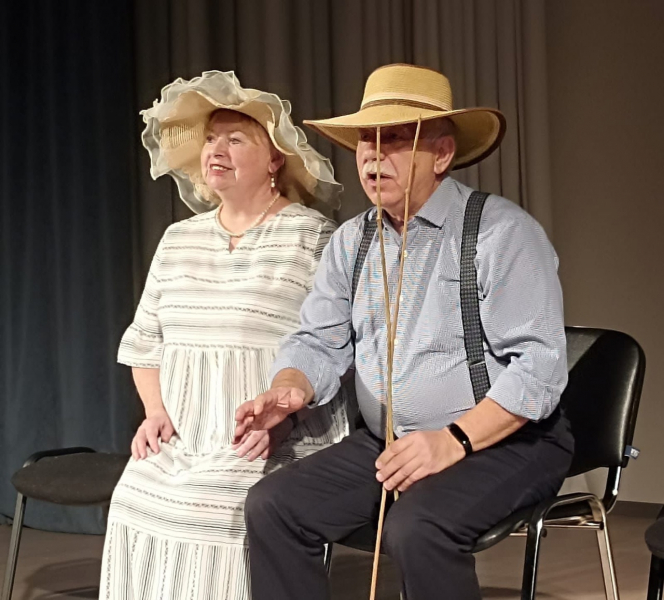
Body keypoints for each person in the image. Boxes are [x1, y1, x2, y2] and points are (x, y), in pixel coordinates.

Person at [236, 63, 575, 600]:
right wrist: (290, 388)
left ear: (441, 154)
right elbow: (318, 340)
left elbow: (540, 368)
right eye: (366, 141)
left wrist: (453, 441)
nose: (373, 155)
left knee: (417, 527)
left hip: (504, 440)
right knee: (273, 506)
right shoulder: (352, 242)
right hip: (392, 441)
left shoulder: (501, 233)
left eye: (395, 139)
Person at [100, 70, 347, 600]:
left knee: (214, 509)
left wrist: (285, 419)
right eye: (211, 138)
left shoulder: (310, 237)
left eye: (236, 139)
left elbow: (332, 345)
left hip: (269, 437)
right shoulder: (178, 239)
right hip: (183, 435)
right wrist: (155, 412)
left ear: (275, 159)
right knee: (133, 497)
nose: (216, 149)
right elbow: (145, 340)